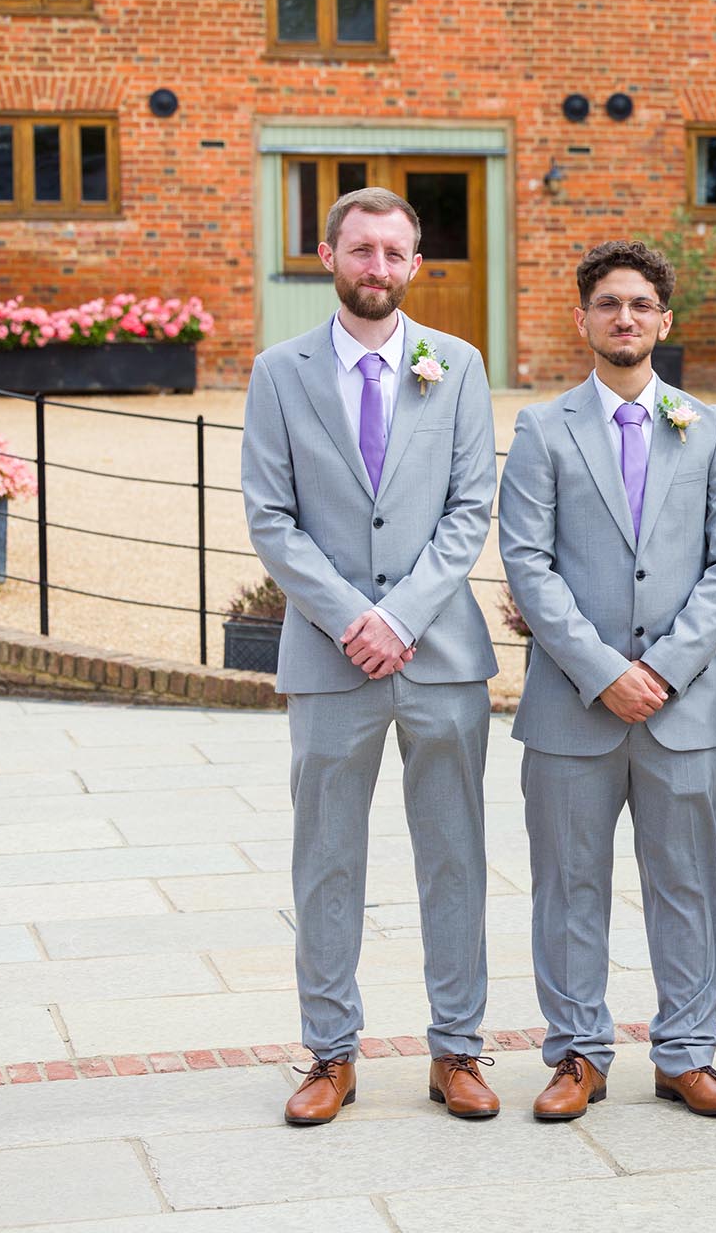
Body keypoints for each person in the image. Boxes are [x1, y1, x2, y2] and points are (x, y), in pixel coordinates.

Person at [242, 187, 499, 1126]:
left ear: (416, 264)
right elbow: (271, 516)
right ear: (328, 255)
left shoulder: (458, 365)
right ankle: (330, 1053)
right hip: (329, 656)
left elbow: (472, 505)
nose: (377, 268)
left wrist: (405, 617)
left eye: (395, 253)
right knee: (326, 860)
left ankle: (459, 1049)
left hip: (441, 660)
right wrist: (356, 617)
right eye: (362, 251)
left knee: (455, 857)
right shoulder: (279, 371)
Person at [498, 240, 716, 1121]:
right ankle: (577, 1053)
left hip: (683, 708)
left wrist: (664, 670)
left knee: (687, 884)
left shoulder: (713, 428)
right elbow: (527, 562)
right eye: (608, 304)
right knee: (568, 885)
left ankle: (687, 1052)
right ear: (582, 319)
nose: (624, 318)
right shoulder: (541, 430)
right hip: (572, 706)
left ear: (664, 320)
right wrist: (606, 673)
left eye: (640, 305)